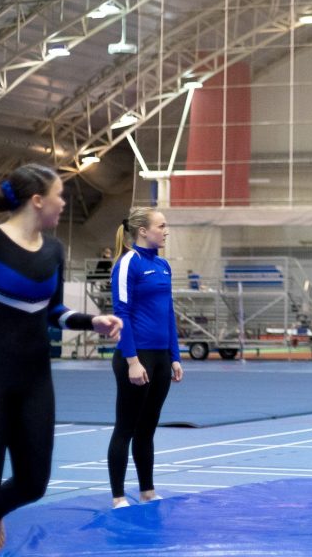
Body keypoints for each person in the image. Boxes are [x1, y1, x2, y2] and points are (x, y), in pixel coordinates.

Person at [0, 163, 123, 557]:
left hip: (35, 383)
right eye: (59, 195)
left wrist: (92, 321)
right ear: (37, 201)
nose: (63, 203)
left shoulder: (54, 251)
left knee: (34, 483)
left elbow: (53, 311)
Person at [108, 207, 184, 510]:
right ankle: (117, 495)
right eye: (161, 226)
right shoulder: (128, 263)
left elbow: (168, 312)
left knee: (148, 428)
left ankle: (147, 490)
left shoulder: (164, 265)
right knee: (125, 427)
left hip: (162, 358)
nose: (166, 231)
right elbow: (121, 312)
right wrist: (132, 360)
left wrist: (176, 357)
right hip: (136, 357)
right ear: (143, 230)